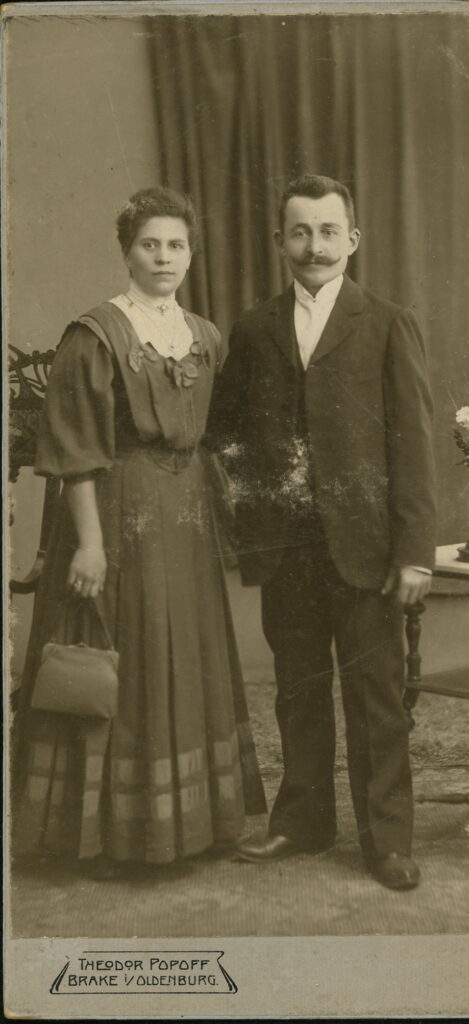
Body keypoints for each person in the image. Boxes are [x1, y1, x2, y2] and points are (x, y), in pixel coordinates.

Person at [13, 186, 266, 879]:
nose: (163, 257)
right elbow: (75, 451)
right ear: (126, 251)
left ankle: (194, 827)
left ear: (191, 254)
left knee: (185, 653)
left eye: (175, 245)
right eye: (149, 244)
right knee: (123, 658)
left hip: (185, 521)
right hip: (116, 515)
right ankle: (111, 837)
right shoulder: (95, 335)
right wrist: (90, 544)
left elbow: (219, 439)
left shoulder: (204, 336)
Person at [205, 174, 436, 890]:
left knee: (375, 697)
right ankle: (302, 821)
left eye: (328, 231)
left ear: (352, 239)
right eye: (300, 232)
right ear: (280, 241)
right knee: (297, 689)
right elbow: (226, 436)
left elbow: (413, 445)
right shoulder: (253, 328)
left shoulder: (387, 322)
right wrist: (252, 519)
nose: (315, 245)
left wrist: (414, 553)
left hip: (366, 549)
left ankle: (386, 841)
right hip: (287, 550)